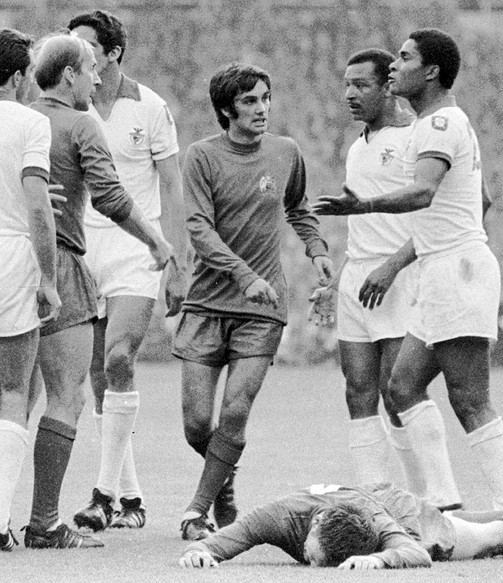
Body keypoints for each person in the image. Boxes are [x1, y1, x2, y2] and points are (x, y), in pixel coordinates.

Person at [0, 34, 173, 551]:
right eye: (89, 70)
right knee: (65, 394)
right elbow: (108, 196)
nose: (97, 79)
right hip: (53, 262)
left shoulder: (15, 118)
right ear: (68, 75)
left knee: (8, 398)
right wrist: (154, 239)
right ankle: (43, 521)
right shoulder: (79, 123)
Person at [314, 29, 503, 510]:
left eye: (403, 59)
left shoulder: (439, 124)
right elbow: (478, 197)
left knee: (468, 396)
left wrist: (362, 208)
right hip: (439, 267)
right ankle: (442, 503)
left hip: (457, 267)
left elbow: (425, 191)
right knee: (401, 386)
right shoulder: (430, 124)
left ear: (430, 71)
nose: (394, 67)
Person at [173, 63, 333, 541]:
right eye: (250, 101)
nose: (262, 108)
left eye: (265, 98)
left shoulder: (286, 152)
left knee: (236, 411)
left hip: (262, 307)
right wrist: (242, 275)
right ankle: (223, 482)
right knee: (197, 423)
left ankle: (196, 510)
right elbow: (198, 229)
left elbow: (298, 208)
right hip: (208, 302)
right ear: (226, 109)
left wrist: (318, 249)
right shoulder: (201, 157)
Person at [308, 48, 448, 504]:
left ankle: (427, 497)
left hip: (400, 276)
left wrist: (391, 267)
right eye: (346, 85)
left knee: (397, 392)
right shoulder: (356, 148)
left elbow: (431, 220)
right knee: (357, 391)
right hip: (358, 282)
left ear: (388, 86)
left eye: (361, 85)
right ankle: (375, 494)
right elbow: (361, 227)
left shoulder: (413, 139)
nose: (349, 94)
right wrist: (335, 283)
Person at [66, 10, 187, 532]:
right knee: (99, 374)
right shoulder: (70, 103)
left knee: (120, 356)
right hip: (82, 244)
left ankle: (102, 494)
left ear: (112, 52)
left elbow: (172, 186)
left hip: (137, 243)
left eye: (85, 45)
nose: (76, 53)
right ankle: (130, 499)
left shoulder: (150, 106)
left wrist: (177, 258)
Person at [0, 28, 60, 551]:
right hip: (4, 254)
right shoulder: (30, 122)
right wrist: (47, 278)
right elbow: (37, 207)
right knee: (13, 390)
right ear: (19, 75)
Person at [178, 483, 503, 569]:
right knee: (451, 522)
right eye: (309, 554)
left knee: (485, 540)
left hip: (400, 512)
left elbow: (416, 553)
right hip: (368, 498)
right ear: (314, 523)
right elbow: (216, 543)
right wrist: (198, 553)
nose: (307, 564)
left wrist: (382, 561)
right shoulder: (279, 516)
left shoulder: (377, 522)